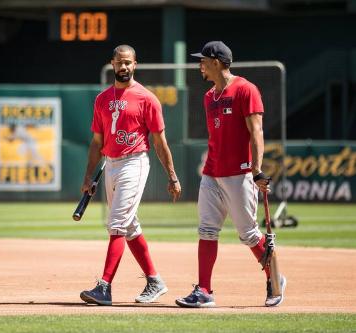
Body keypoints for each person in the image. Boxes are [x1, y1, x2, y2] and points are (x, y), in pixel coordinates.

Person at [175, 41, 286, 308]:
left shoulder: (246, 90)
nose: (200, 64)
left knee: (248, 233)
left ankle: (275, 278)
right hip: (212, 173)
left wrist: (257, 169)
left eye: (203, 60)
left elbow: (256, 132)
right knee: (207, 230)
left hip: (240, 173)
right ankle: (204, 290)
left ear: (216, 62)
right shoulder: (208, 96)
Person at [79, 44, 182, 306]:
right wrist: (88, 176)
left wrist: (172, 175)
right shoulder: (102, 99)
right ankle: (154, 280)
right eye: (119, 62)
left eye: (128, 62)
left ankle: (104, 287)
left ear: (135, 64)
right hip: (110, 164)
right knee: (130, 227)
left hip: (134, 163)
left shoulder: (147, 98)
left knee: (116, 225)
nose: (123, 67)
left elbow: (160, 142)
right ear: (112, 63)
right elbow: (96, 141)